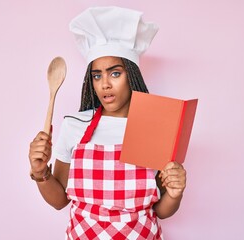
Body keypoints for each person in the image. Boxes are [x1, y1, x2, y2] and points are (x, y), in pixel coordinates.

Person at [28, 6, 187, 240]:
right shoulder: (75, 125)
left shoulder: (153, 124)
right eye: (97, 75)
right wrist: (40, 173)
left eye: (115, 73)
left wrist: (174, 195)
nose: (104, 84)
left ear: (131, 75)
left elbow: (160, 211)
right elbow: (60, 201)